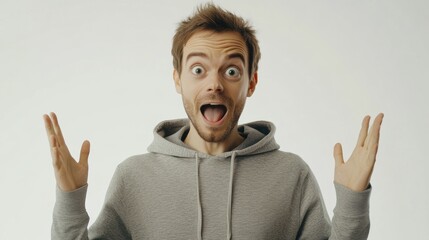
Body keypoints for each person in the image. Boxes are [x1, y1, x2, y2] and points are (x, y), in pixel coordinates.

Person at [44, 3, 384, 240]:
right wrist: (70, 199)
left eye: (232, 70)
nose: (215, 84)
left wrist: (352, 200)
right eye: (198, 69)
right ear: (178, 79)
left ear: (251, 82)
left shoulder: (291, 175)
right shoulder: (134, 177)